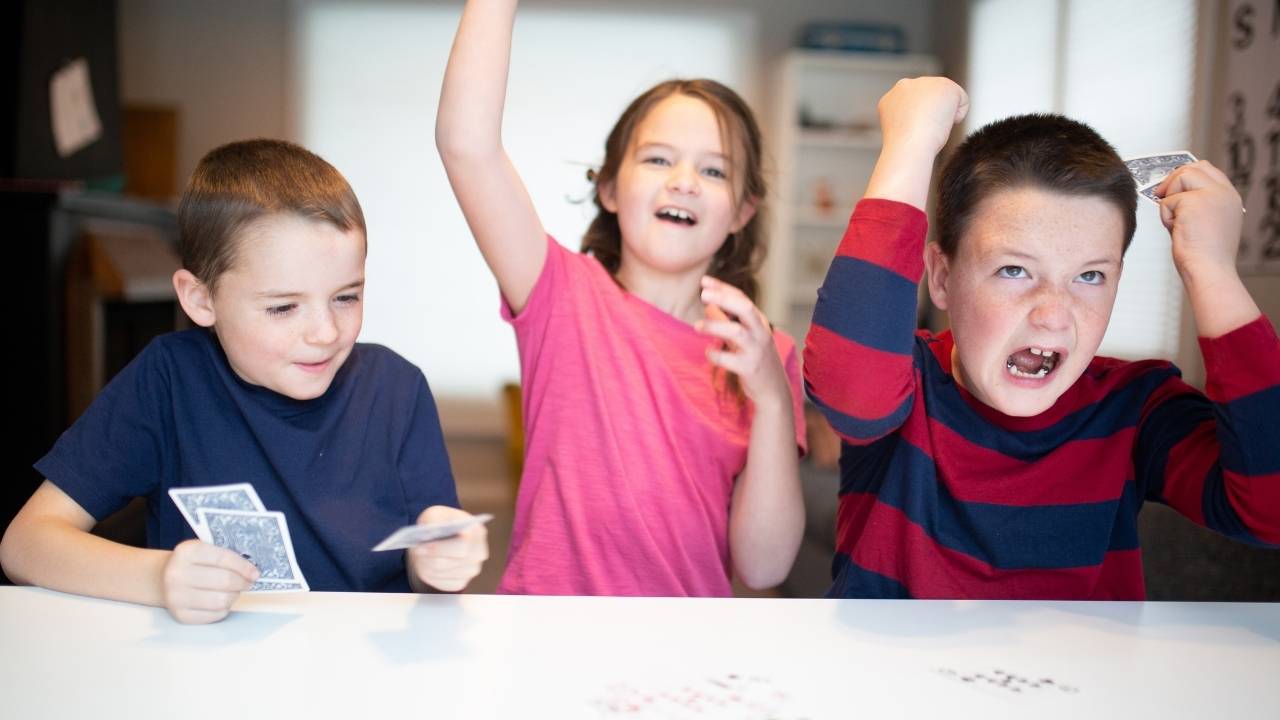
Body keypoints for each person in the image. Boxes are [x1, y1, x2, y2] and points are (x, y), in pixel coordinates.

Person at [804, 76, 1280, 599]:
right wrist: (911, 142)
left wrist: (1212, 270)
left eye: (1090, 277)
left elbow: (1270, 511)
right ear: (941, 278)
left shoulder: (1134, 409)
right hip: (892, 679)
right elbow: (851, 390)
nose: (1055, 315)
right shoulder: (906, 384)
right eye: (1014, 270)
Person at [0, 139, 489, 623]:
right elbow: (25, 544)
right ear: (200, 300)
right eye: (282, 307)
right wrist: (158, 576)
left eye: (346, 297)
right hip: (212, 678)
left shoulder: (397, 389)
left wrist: (440, 563)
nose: (325, 333)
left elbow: (429, 572)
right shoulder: (169, 380)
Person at [436, 0, 806, 596]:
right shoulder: (560, 293)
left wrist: (771, 396)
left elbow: (763, 568)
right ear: (608, 187)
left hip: (683, 647)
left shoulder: (764, 353)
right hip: (545, 635)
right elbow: (465, 145)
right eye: (658, 159)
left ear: (742, 210)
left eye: (714, 171)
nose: (683, 180)